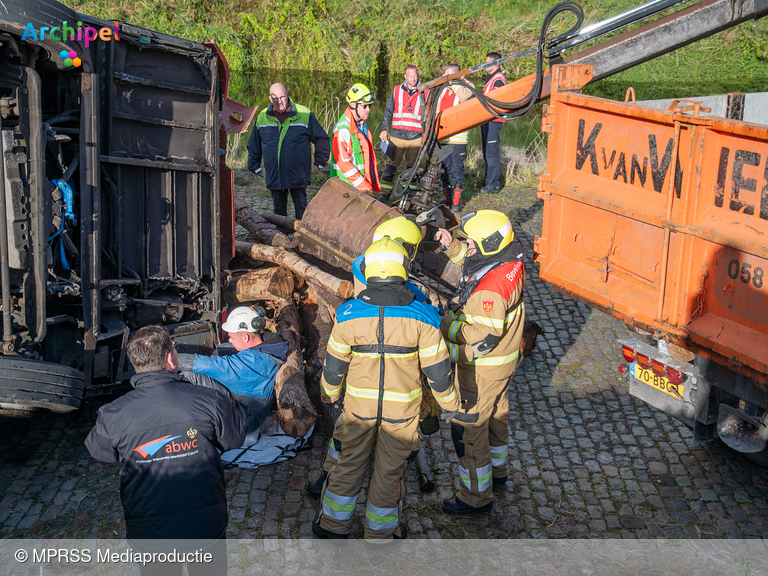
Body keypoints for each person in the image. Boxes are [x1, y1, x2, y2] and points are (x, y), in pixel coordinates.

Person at [312, 238, 461, 539]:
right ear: (403, 269)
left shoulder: (348, 315)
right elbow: (439, 372)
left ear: (368, 271)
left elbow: (333, 366)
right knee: (390, 473)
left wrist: (328, 394)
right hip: (401, 414)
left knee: (348, 464)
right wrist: (450, 404)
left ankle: (332, 526)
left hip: (357, 411)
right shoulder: (424, 318)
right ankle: (380, 534)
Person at [84, 326, 246, 576]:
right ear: (170, 358)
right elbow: (234, 438)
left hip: (150, 530)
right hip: (203, 526)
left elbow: (100, 451)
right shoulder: (209, 399)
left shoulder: (113, 413)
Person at [305, 216, 431, 497]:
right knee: (385, 436)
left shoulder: (363, 263)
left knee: (346, 428)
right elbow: (405, 299)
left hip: (360, 365)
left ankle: (327, 478)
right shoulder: (392, 280)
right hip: (390, 363)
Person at [434, 210, 526, 514]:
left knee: (468, 430)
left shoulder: (490, 293)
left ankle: (474, 497)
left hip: (483, 370)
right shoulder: (508, 261)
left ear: (489, 243)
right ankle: (498, 474)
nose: (467, 246)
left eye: (470, 242)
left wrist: (447, 326)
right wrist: (452, 246)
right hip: (503, 366)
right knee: (497, 417)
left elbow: (482, 337)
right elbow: (475, 264)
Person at [177, 306, 289, 435]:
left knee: (191, 375)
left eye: (231, 337)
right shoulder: (268, 347)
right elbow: (224, 348)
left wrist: (169, 359)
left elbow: (209, 365)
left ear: (246, 337)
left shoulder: (251, 363)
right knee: (224, 348)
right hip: (245, 405)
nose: (229, 339)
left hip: (245, 417)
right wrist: (220, 350)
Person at [247, 83, 330, 219]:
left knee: (301, 210)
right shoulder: (262, 117)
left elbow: (321, 138)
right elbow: (254, 144)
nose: (279, 102)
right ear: (269, 98)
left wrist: (320, 161)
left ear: (287, 95)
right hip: (275, 173)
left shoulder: (303, 113)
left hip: (298, 173)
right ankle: (280, 238)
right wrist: (254, 166)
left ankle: (300, 238)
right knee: (278, 212)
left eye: (282, 97)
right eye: (275, 98)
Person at [378, 64, 427, 203]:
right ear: (405, 76)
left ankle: (408, 194)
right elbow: (388, 111)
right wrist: (384, 129)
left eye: (415, 75)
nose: (413, 78)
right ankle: (384, 193)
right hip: (396, 136)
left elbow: (429, 114)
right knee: (390, 167)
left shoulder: (424, 91)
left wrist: (426, 135)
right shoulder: (397, 90)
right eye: (410, 75)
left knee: (412, 169)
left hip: (416, 137)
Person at [436, 63, 474, 212]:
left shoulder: (468, 86)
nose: (446, 79)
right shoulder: (444, 90)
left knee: (457, 169)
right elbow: (437, 111)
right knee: (444, 169)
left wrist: (455, 82)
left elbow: (464, 96)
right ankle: (447, 196)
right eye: (445, 76)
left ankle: (456, 201)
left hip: (459, 138)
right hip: (444, 137)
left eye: (449, 76)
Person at [330, 83, 380, 195]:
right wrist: (365, 187)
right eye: (364, 106)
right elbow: (345, 166)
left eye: (370, 106)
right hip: (345, 189)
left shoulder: (361, 126)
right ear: (353, 104)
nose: (368, 110)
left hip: (358, 188)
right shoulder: (342, 130)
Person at [479, 52, 507, 194]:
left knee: (491, 153)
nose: (485, 65)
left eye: (487, 63)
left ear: (495, 64)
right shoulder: (492, 79)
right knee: (487, 152)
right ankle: (488, 179)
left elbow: (497, 102)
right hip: (488, 120)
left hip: (494, 121)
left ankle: (493, 184)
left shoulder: (498, 80)